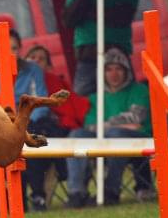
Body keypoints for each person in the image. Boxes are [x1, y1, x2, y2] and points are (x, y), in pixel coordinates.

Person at [66, 47, 154, 208]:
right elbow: (90, 126)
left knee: (115, 134)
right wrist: (120, 122)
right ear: (102, 73)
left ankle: (110, 191)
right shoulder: (95, 97)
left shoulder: (139, 90)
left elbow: (137, 119)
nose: (114, 74)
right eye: (109, 69)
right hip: (105, 141)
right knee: (77, 135)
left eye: (118, 69)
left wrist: (107, 126)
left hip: (139, 142)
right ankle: (76, 193)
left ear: (126, 70)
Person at [0, 29, 51, 212]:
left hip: (28, 123)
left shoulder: (33, 70)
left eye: (14, 48)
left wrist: (21, 124)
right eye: (5, 48)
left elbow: (41, 104)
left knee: (32, 140)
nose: (11, 53)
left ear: (21, 49)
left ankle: (37, 195)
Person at [25, 45, 91, 208]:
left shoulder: (56, 82)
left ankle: (44, 196)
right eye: (32, 58)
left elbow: (72, 109)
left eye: (41, 59)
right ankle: (36, 197)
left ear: (49, 65)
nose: (36, 61)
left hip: (57, 131)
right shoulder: (20, 82)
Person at [63, 0, 139, 96]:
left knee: (126, 97)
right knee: (82, 102)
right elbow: (69, 19)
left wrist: (87, 13)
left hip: (117, 54)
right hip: (88, 55)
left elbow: (123, 16)